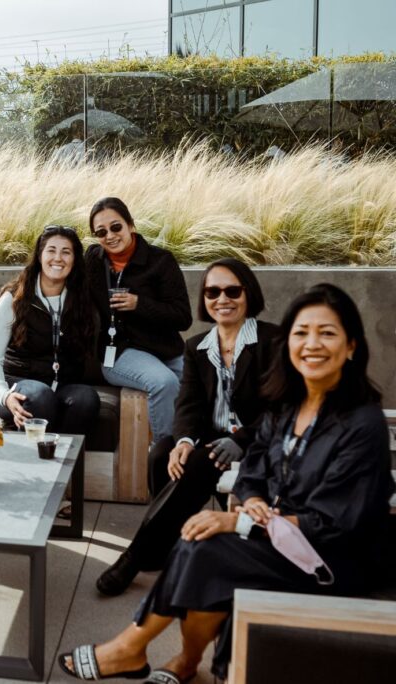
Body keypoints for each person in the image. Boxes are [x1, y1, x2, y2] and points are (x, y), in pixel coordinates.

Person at [60, 284, 393, 682]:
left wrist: (243, 522)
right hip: (281, 540)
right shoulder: (287, 407)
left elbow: (335, 523)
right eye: (301, 333)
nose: (312, 344)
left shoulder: (362, 424)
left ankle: (138, 649)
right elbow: (253, 469)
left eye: (327, 333)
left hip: (331, 561)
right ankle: (174, 659)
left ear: (352, 346)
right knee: (197, 540)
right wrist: (251, 500)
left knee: (207, 551)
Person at [97, 259, 280, 596]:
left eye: (232, 290)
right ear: (204, 299)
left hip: (259, 440)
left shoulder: (273, 341)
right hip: (212, 435)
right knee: (162, 453)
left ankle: (136, 557)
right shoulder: (197, 346)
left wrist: (242, 439)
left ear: (248, 294)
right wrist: (183, 439)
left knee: (199, 462)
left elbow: (280, 407)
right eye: (212, 291)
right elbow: (189, 404)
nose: (222, 299)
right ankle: (167, 546)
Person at [84, 197, 191, 445]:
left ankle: (199, 450)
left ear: (131, 225)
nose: (110, 236)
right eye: (101, 232)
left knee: (202, 383)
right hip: (120, 351)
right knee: (164, 383)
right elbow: (56, 270)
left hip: (164, 349)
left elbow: (183, 317)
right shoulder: (94, 260)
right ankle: (164, 456)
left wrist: (139, 304)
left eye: (116, 227)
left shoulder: (161, 261)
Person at [0, 225, 100, 435]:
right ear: (39, 256)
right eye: (51, 250)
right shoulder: (13, 300)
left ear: (74, 260)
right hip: (14, 384)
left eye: (66, 252)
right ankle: (30, 462)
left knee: (86, 399)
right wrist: (4, 396)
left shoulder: (79, 300)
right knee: (40, 396)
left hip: (60, 385)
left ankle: (61, 460)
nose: (58, 258)